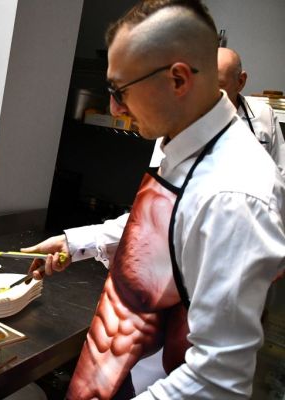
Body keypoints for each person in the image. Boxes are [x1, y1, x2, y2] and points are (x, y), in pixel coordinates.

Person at [22, 1, 285, 399]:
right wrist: (75, 243)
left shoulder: (235, 196)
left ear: (178, 79)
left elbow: (216, 380)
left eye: (120, 90)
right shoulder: (180, 141)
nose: (115, 107)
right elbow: (163, 229)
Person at [217, 46, 285, 175]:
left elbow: (281, 169)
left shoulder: (263, 114)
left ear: (240, 82)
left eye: (219, 85)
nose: (210, 93)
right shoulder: (191, 117)